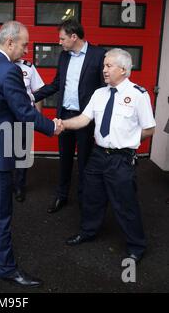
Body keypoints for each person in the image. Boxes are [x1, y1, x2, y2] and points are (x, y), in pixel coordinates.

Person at [0, 20, 62, 287]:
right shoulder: (9, 71)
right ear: (10, 42)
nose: (26, 50)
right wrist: (52, 127)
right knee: (0, 215)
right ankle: (8, 269)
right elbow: (25, 111)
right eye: (24, 44)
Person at [61, 48, 155, 263]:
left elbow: (149, 129)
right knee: (91, 197)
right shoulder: (99, 93)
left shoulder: (138, 95)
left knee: (125, 204)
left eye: (108, 66)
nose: (103, 70)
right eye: (104, 65)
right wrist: (62, 124)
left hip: (121, 159)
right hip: (98, 154)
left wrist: (129, 141)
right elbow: (83, 120)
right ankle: (88, 232)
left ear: (123, 69)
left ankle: (136, 246)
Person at [33, 19, 106, 213]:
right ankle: (62, 196)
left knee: (84, 162)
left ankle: (84, 200)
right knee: (64, 159)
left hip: (85, 119)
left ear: (74, 37)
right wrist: (32, 96)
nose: (59, 42)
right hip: (64, 117)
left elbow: (104, 90)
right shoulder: (64, 56)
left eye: (62, 38)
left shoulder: (99, 55)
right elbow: (57, 84)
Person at [13, 58, 44, 202]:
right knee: (1, 151)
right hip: (2, 118)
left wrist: (37, 117)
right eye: (23, 45)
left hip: (24, 117)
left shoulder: (28, 67)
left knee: (22, 153)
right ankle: (3, 185)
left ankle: (19, 186)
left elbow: (37, 91)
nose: (25, 50)